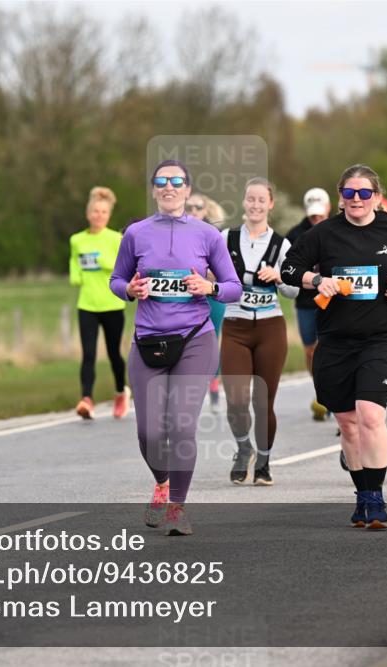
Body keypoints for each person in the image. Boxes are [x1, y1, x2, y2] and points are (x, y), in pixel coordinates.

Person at [281, 164, 387, 530]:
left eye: (364, 193)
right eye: (349, 193)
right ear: (340, 197)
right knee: (348, 424)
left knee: (370, 415)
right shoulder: (324, 233)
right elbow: (288, 270)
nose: (356, 199)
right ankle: (362, 494)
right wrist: (317, 279)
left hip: (383, 337)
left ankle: (376, 497)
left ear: (377, 198)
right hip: (336, 340)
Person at [110, 160, 242, 536]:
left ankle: (177, 508)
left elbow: (233, 286)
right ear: (154, 189)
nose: (169, 186)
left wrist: (209, 287)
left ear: (187, 189)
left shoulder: (207, 235)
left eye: (176, 181)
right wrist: (129, 289)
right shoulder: (135, 233)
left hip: (195, 340)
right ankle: (162, 483)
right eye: (162, 181)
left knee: (182, 425)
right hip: (148, 341)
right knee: (149, 433)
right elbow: (116, 279)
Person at [219, 178, 299, 486]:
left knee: (263, 402)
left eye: (261, 200)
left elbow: (293, 291)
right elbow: (213, 276)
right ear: (243, 202)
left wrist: (279, 277)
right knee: (236, 399)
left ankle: (264, 462)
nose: (255, 205)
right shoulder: (226, 238)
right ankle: (244, 449)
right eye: (250, 199)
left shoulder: (282, 245)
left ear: (270, 204)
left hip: (270, 328)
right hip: (235, 326)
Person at [69, 187, 129, 420]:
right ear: (88, 214)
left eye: (104, 212)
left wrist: (102, 261)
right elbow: (75, 262)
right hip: (87, 304)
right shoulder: (77, 240)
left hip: (112, 304)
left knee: (114, 353)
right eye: (95, 211)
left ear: (109, 215)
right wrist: (75, 274)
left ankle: (121, 392)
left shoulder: (116, 239)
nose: (99, 215)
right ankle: (86, 399)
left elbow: (123, 267)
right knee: (89, 353)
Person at [286, 187, 332, 421]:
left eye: (320, 215)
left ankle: (332, 395)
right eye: (313, 215)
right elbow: (287, 267)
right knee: (311, 350)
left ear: (328, 209)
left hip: (334, 299)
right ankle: (321, 390)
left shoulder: (338, 229)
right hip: (306, 301)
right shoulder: (295, 234)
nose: (317, 219)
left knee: (331, 347)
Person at [187, 194, 229, 408]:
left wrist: (205, 274)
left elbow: (224, 273)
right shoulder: (176, 234)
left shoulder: (215, 236)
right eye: (189, 207)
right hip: (187, 295)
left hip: (212, 295)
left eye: (198, 207)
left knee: (212, 340)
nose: (194, 211)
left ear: (205, 211)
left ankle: (213, 384)